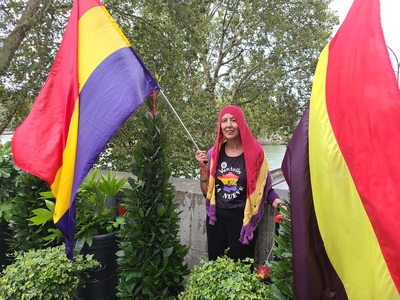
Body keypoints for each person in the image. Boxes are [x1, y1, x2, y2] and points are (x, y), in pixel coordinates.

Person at [195, 105, 286, 261]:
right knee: (216, 268)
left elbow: (265, 188)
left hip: (242, 222)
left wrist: (279, 204)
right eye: (224, 121)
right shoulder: (213, 153)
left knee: (241, 271)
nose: (228, 125)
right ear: (220, 126)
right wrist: (203, 168)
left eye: (233, 120)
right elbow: (206, 193)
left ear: (241, 124)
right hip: (216, 221)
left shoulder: (256, 154)